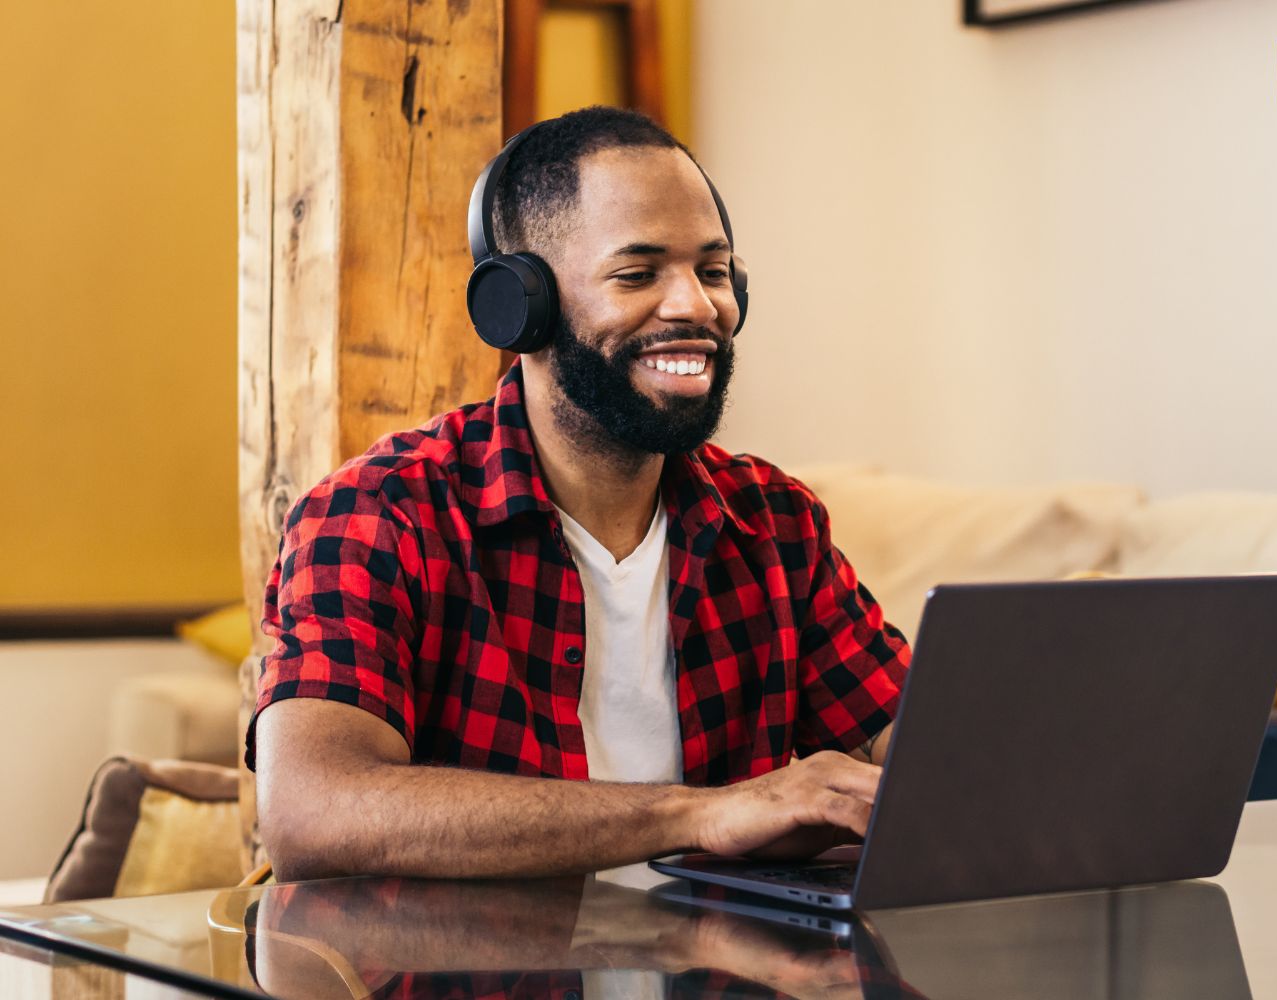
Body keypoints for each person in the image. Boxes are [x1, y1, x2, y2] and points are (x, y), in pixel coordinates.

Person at [250, 106, 910, 882]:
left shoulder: (775, 524)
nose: (697, 306)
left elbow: (919, 751)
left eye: (713, 270)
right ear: (517, 306)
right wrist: (702, 813)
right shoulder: (379, 515)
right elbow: (310, 811)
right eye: (638, 274)